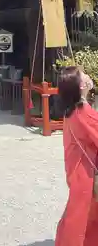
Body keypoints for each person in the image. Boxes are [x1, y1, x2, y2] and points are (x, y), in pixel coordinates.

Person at [55, 66, 98, 246]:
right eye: (84, 75)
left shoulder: (73, 109)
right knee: (78, 218)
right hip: (85, 174)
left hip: (79, 170)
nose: (88, 76)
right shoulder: (83, 112)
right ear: (81, 86)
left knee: (86, 216)